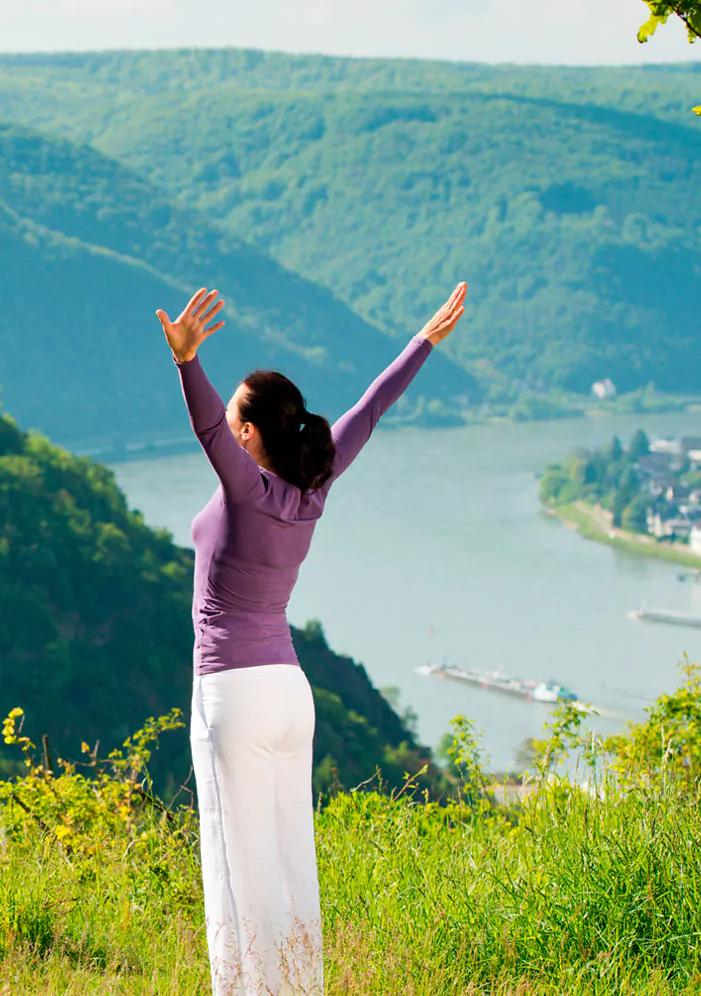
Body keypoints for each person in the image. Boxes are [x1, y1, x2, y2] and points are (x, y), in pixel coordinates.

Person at [155, 283, 468, 996]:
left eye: (235, 414)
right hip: (291, 698)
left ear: (245, 433)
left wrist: (186, 364)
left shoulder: (247, 488)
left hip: (231, 695)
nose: (226, 423)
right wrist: (422, 341)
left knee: (238, 871)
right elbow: (372, 407)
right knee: (291, 865)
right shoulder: (310, 491)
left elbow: (205, 429)